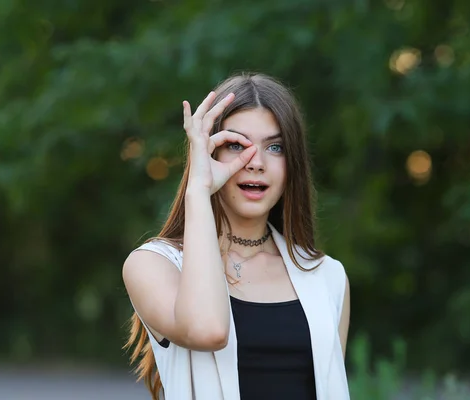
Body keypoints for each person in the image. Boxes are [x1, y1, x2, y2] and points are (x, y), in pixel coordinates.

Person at [122, 72, 351, 400]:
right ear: (208, 153)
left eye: (275, 147)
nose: (256, 163)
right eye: (235, 145)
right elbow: (208, 330)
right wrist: (199, 190)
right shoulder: (153, 265)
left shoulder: (327, 276)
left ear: (293, 164)